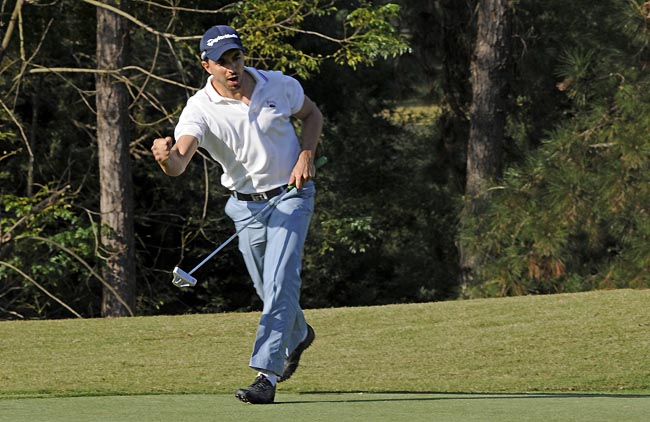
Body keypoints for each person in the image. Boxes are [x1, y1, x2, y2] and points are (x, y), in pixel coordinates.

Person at [151, 25, 322, 405]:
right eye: (222, 62)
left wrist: (306, 154)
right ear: (206, 65)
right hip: (245, 207)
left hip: (292, 196)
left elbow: (312, 115)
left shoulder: (278, 84)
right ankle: (298, 334)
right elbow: (181, 159)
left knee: (280, 281)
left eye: (236, 58)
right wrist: (167, 160)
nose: (232, 68)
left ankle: (267, 375)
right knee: (267, 289)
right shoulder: (199, 109)